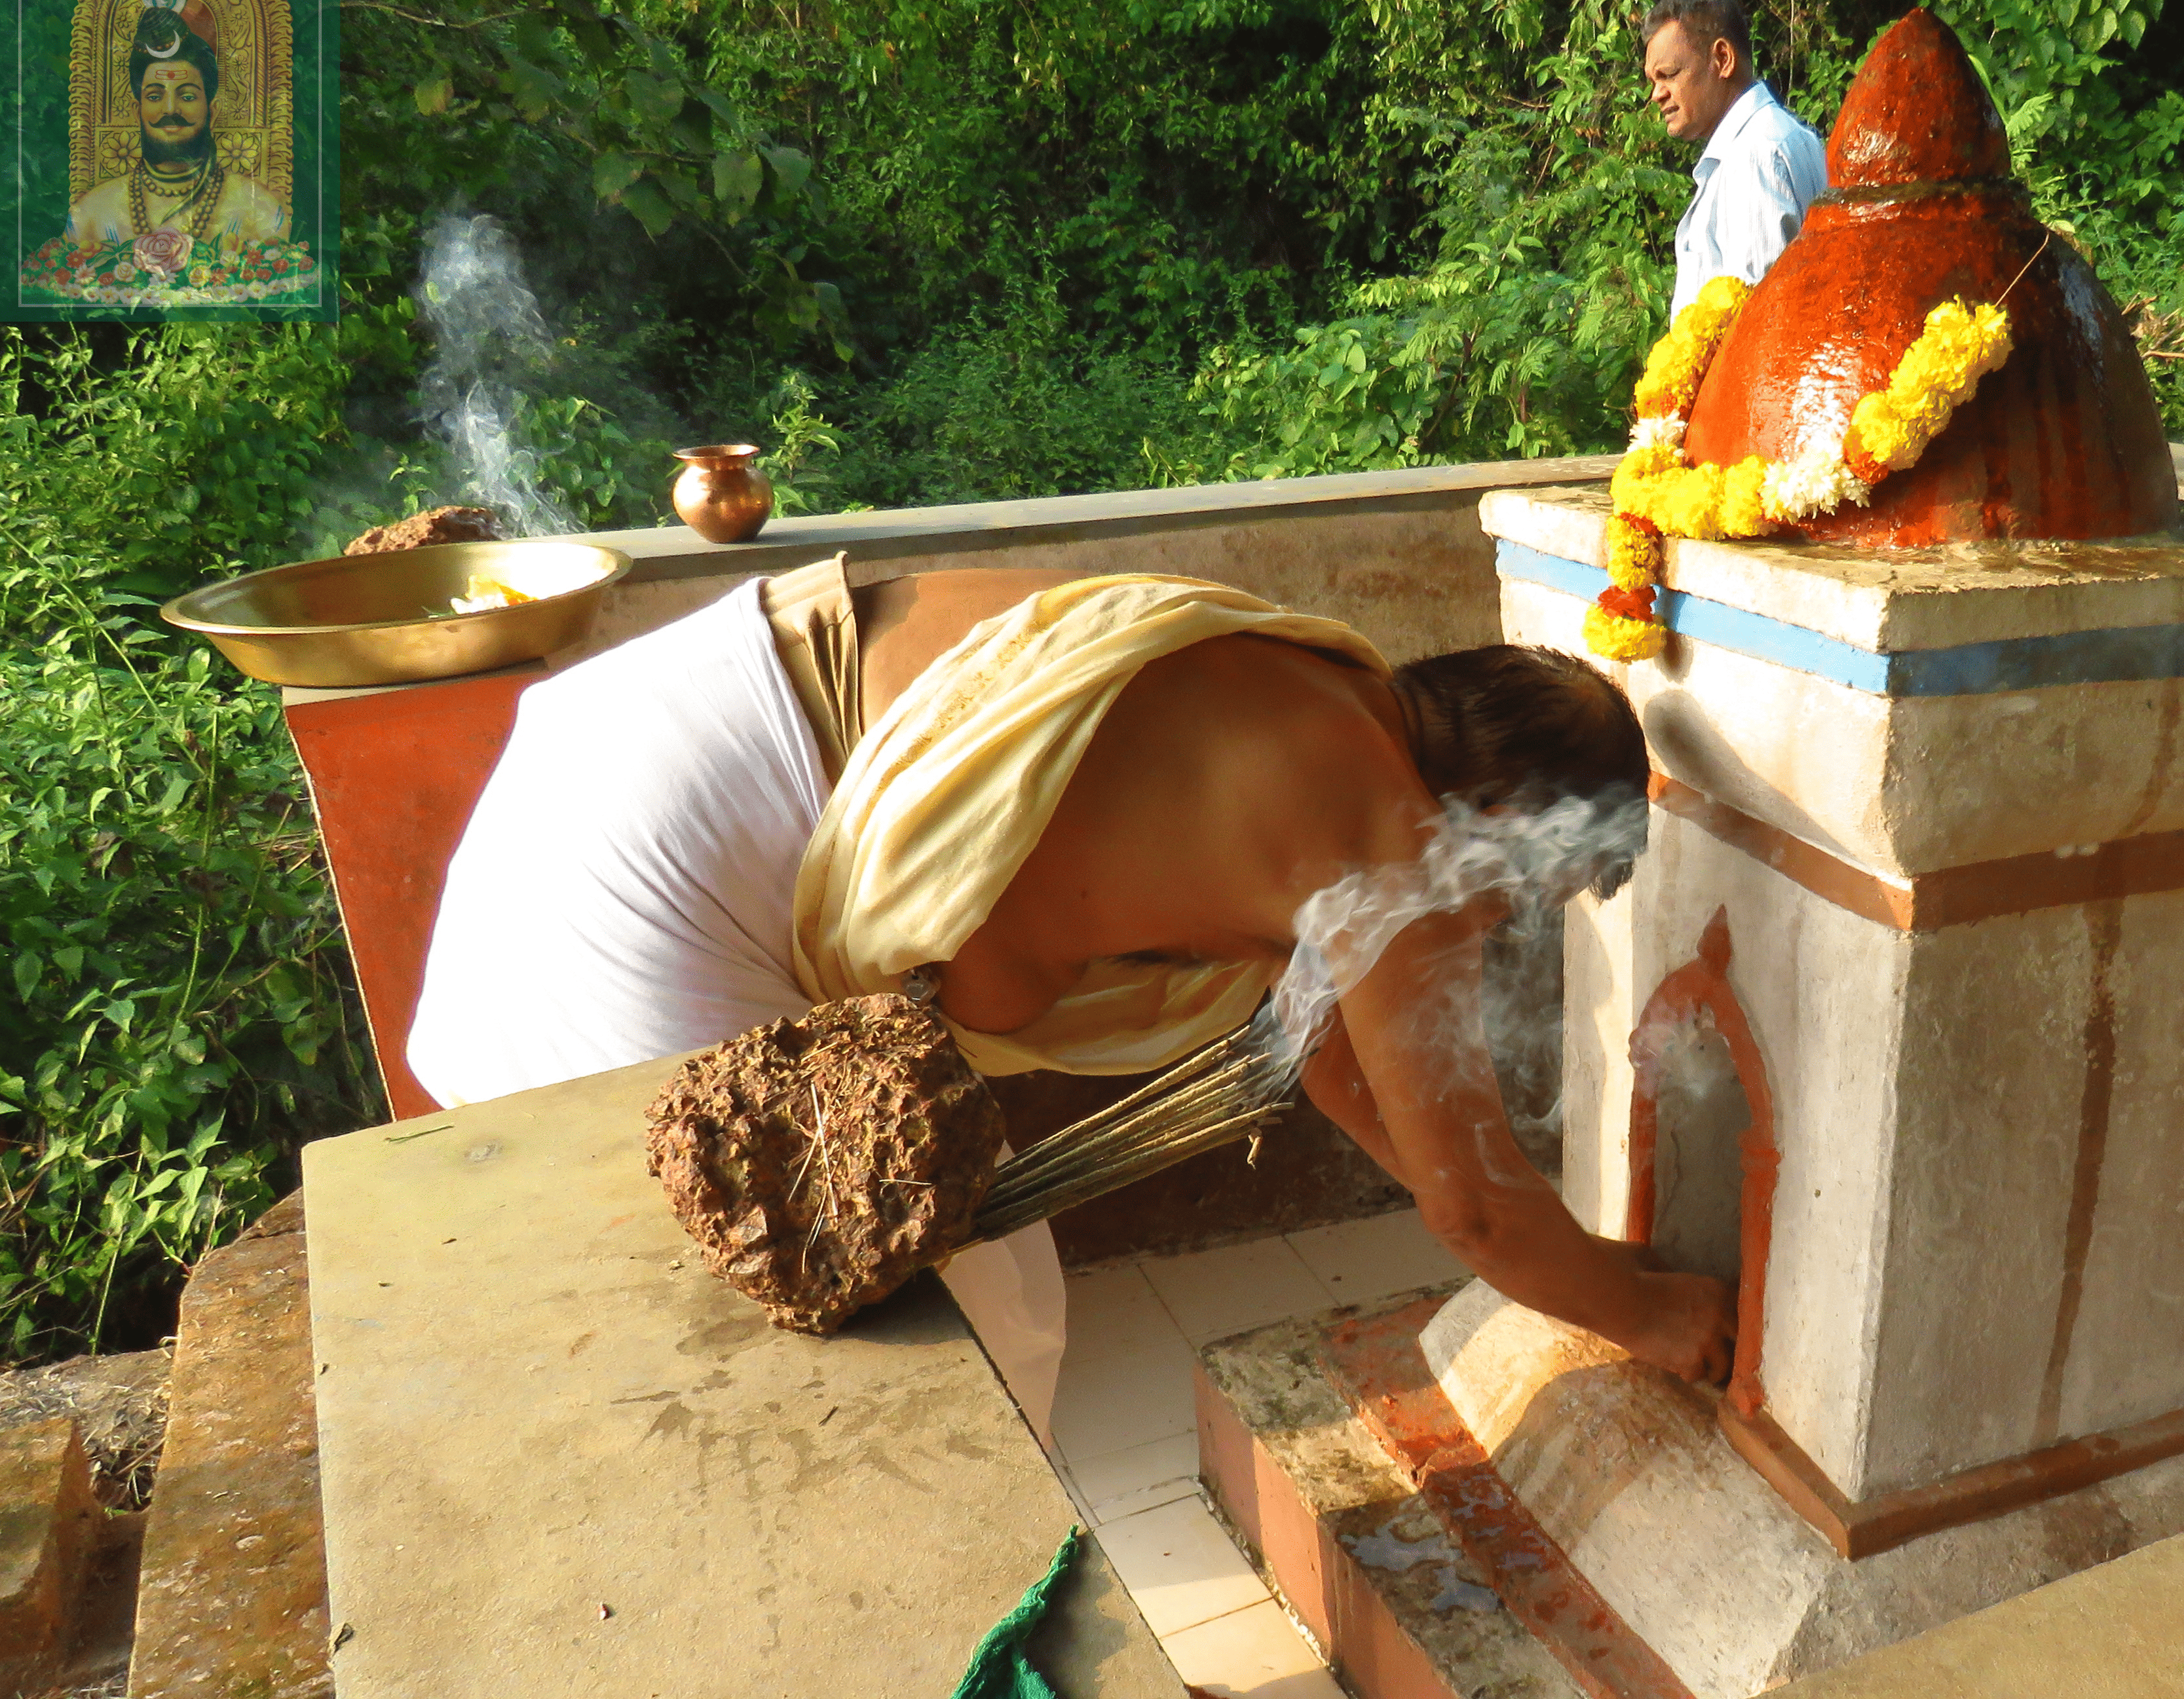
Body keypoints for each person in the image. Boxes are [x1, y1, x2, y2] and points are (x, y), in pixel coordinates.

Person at [407, 563, 1735, 1395]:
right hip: (664, 870)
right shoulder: (1396, 844)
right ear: (1503, 815)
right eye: (1530, 890)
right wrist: (1648, 1311)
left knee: (1011, 1291)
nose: (1499, 924)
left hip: (660, 723)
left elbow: (1347, 1082)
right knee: (943, 1353)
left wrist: (1567, 1262)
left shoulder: (1301, 703)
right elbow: (1478, 1214)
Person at [1641, 0, 1828, 317]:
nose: (1657, 94)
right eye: (1653, 81)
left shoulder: (1754, 154)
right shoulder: (1793, 138)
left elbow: (1758, 321)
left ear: (1723, 59)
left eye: (1668, 75)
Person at [69, 0, 291, 252]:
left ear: (213, 111)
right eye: (154, 96)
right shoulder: (90, 215)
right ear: (136, 111)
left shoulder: (260, 214)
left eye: (187, 96)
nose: (170, 109)